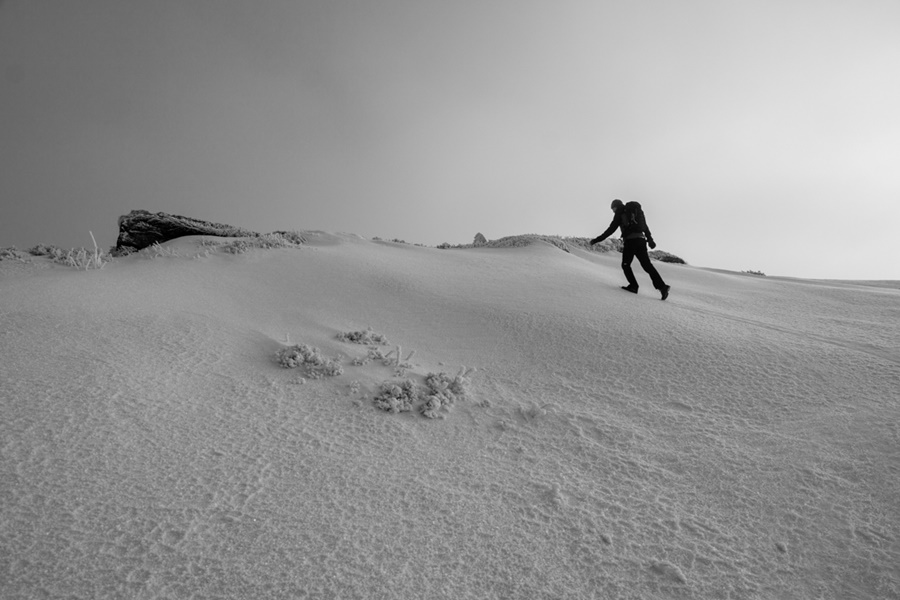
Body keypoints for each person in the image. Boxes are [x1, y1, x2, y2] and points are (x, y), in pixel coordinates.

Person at [590, 199, 670, 300]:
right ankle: (662, 287)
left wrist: (596, 240)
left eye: (613, 209)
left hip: (631, 242)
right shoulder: (636, 213)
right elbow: (645, 227)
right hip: (641, 240)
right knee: (647, 266)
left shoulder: (620, 213)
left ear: (616, 206)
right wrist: (650, 240)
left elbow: (610, 230)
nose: (613, 211)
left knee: (625, 264)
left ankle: (633, 286)